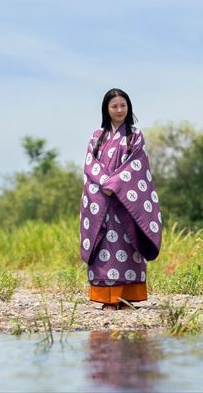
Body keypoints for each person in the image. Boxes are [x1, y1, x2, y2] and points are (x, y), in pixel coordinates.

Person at [80, 88, 162, 310]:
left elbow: (137, 165)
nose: (119, 110)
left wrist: (115, 186)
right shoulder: (97, 137)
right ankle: (106, 298)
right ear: (106, 109)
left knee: (127, 246)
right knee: (103, 247)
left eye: (123, 105)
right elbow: (90, 164)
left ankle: (127, 297)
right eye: (114, 106)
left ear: (129, 107)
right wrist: (105, 186)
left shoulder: (135, 135)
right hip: (101, 202)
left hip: (125, 202)